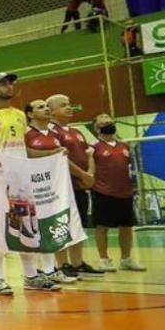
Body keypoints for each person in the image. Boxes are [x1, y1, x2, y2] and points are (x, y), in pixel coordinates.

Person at [0, 72, 40, 294]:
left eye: (12, 82)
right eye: (3, 83)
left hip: (22, 176)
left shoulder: (20, 115)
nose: (10, 86)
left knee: (26, 222)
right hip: (0, 177)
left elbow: (23, 146)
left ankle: (31, 274)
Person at [23, 100, 78, 285]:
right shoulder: (26, 134)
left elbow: (61, 155)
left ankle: (50, 269)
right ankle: (36, 271)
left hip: (54, 188)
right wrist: (51, 154)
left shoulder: (55, 134)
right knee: (35, 229)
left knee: (50, 227)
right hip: (34, 187)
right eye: (40, 107)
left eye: (47, 106)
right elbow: (24, 153)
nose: (46, 109)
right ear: (30, 114)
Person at [47, 94, 99, 277]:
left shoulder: (76, 131)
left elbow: (89, 154)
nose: (69, 108)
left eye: (69, 104)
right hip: (62, 187)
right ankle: (62, 264)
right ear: (51, 111)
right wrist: (83, 174)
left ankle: (77, 263)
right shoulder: (51, 132)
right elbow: (60, 158)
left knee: (79, 224)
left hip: (80, 186)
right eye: (63, 105)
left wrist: (90, 175)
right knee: (61, 225)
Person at [91, 115, 146, 272]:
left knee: (126, 226)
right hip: (103, 192)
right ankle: (104, 260)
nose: (108, 125)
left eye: (110, 122)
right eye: (104, 123)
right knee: (102, 227)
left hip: (125, 193)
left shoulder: (124, 146)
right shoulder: (94, 147)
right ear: (97, 128)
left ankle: (126, 259)